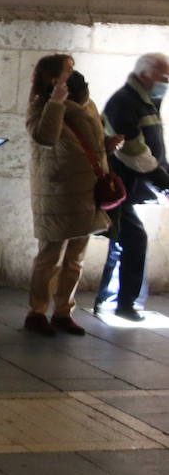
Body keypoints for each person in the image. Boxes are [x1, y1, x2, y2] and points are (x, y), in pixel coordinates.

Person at [23, 55, 116, 336]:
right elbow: (46, 137)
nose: (75, 74)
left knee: (76, 257)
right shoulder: (40, 106)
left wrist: (108, 146)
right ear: (54, 79)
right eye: (69, 70)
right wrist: (56, 102)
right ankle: (37, 311)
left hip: (86, 191)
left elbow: (92, 141)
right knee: (50, 255)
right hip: (59, 191)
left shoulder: (87, 104)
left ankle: (64, 311)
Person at [97, 53, 169, 321]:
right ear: (145, 74)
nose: (167, 81)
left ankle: (112, 300)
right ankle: (123, 304)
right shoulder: (126, 102)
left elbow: (154, 148)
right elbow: (134, 151)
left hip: (127, 188)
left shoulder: (146, 102)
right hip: (118, 187)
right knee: (133, 239)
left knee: (123, 241)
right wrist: (163, 181)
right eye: (163, 76)